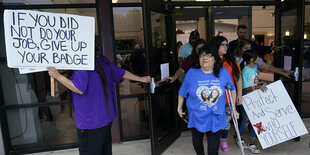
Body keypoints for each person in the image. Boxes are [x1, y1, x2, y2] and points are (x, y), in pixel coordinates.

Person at [47, 53, 150, 155]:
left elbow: (79, 88)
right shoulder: (101, 60)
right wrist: (141, 79)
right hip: (105, 118)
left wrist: (57, 76)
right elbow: (120, 72)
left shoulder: (82, 63)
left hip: (91, 122)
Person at [177, 44, 236, 155]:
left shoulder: (223, 73)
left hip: (216, 116)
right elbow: (182, 91)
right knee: (197, 143)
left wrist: (234, 109)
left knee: (213, 150)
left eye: (208, 55)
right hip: (196, 115)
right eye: (202, 55)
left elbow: (232, 89)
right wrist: (179, 107)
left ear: (215, 59)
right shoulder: (192, 73)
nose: (205, 58)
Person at [209, 36, 242, 152]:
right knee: (215, 122)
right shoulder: (209, 60)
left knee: (227, 122)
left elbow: (238, 78)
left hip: (229, 98)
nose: (226, 47)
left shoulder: (230, 61)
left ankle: (223, 140)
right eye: (223, 45)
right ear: (216, 46)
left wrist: (239, 96)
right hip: (215, 99)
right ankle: (215, 140)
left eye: (227, 45)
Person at [238, 49, 268, 154]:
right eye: (257, 58)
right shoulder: (245, 71)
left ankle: (252, 143)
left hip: (255, 99)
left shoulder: (254, 69)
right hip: (247, 99)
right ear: (251, 59)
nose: (258, 59)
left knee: (255, 121)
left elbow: (255, 83)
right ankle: (240, 139)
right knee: (245, 121)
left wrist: (260, 85)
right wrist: (257, 86)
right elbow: (243, 89)